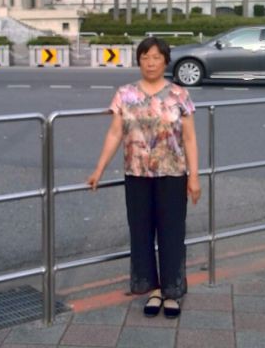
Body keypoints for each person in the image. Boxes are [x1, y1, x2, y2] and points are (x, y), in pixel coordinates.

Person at [87, 36, 201, 319]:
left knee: (172, 233)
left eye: (156, 57)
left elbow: (189, 138)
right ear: (138, 61)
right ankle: (154, 290)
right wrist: (99, 169)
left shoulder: (179, 94)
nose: (150, 63)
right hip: (136, 175)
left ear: (165, 61)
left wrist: (194, 177)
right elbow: (115, 133)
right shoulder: (125, 94)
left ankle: (172, 292)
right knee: (141, 233)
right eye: (145, 57)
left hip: (172, 174)